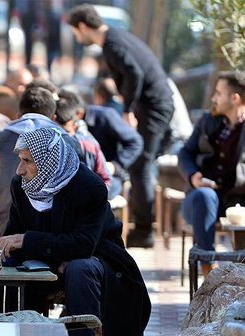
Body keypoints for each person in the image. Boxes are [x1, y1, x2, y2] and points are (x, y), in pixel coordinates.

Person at [0, 127, 151, 336]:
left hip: (99, 256)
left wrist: (28, 240)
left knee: (79, 268)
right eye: (20, 160)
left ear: (48, 162)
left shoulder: (88, 186)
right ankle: (14, 330)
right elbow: (15, 232)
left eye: (27, 161)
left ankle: (82, 333)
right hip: (45, 255)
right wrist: (8, 247)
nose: (19, 170)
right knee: (9, 265)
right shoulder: (22, 185)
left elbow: (84, 244)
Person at [67, 4, 175, 247]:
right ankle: (143, 227)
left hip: (153, 107)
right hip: (152, 105)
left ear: (83, 26)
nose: (77, 37)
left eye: (75, 32)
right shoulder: (116, 38)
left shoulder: (112, 44)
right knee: (140, 164)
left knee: (142, 164)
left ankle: (145, 231)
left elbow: (134, 73)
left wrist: (128, 109)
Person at [0, 87, 65, 242]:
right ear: (53, 117)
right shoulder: (66, 142)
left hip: (2, 222)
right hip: (52, 231)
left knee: (1, 264)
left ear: (18, 115)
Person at [178, 71, 245, 278]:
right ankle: (208, 271)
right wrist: (193, 176)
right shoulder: (208, 120)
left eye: (218, 93)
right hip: (202, 201)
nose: (213, 99)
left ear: (235, 98)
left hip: (238, 200)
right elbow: (185, 153)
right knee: (205, 196)